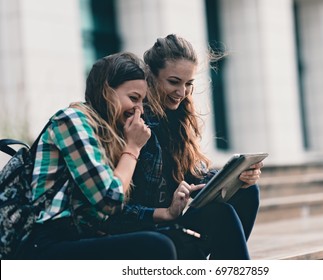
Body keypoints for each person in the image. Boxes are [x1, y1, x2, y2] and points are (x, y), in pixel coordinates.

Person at [18, 52, 177, 260]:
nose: (139, 110)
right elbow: (110, 200)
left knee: (175, 238)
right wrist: (133, 148)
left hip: (80, 238)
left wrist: (167, 212)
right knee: (157, 246)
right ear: (106, 92)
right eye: (133, 98)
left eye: (142, 102)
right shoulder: (71, 120)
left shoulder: (106, 134)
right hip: (46, 244)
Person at [125, 34, 264, 259]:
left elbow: (191, 174)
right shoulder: (138, 124)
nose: (182, 93)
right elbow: (122, 204)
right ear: (151, 76)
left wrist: (236, 176)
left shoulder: (178, 117)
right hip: (150, 229)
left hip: (175, 219)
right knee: (221, 214)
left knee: (248, 192)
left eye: (188, 83)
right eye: (173, 82)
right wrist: (167, 211)